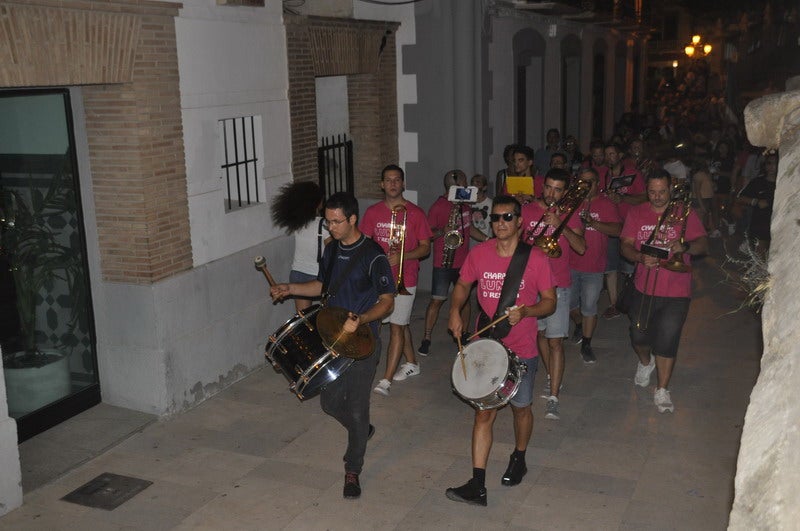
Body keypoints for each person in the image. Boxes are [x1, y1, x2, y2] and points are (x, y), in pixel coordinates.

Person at [270, 192, 395, 498]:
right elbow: (323, 287)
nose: (331, 227)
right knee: (329, 403)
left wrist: (362, 318)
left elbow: (388, 302)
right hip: (332, 339)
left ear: (353, 219)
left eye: (337, 222)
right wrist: (290, 288)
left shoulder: (373, 255)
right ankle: (360, 430)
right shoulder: (330, 250)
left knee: (356, 405)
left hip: (364, 341)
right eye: (328, 221)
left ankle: (352, 469)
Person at [445, 195, 556, 506]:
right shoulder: (479, 253)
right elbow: (463, 285)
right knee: (484, 415)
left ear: (520, 221)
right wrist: (455, 309)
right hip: (489, 345)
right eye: (495, 218)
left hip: (522, 348)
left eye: (508, 217)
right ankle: (477, 484)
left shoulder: (535, 258)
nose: (501, 223)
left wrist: (529, 311)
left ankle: (519, 457)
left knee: (521, 408)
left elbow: (550, 301)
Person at [620, 171, 707, 413]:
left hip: (676, 290)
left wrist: (685, 245)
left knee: (667, 340)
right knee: (638, 335)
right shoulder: (636, 213)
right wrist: (639, 256)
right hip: (643, 285)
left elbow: (702, 244)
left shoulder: (684, 213)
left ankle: (662, 389)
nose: (657, 197)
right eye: (652, 192)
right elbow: (625, 245)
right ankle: (645, 363)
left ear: (671, 189)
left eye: (662, 191)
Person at [361, 164, 432, 396]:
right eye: (388, 180)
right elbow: (365, 243)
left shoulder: (416, 213)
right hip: (378, 279)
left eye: (396, 180)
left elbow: (425, 248)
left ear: (403, 184)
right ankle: (412, 363)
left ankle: (386, 380)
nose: (392, 184)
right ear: (382, 184)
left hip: (405, 277)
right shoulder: (372, 213)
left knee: (396, 328)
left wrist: (401, 256)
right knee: (398, 323)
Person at [521, 168, 586, 420]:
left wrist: (561, 224)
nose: (551, 193)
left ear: (565, 192)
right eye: (548, 187)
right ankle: (550, 375)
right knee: (539, 334)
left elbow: (581, 247)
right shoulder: (527, 211)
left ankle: (554, 396)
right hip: (532, 284)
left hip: (559, 284)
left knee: (555, 341)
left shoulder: (572, 213)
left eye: (558, 189)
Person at [417, 170, 485, 356]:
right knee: (437, 301)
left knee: (465, 301)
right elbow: (428, 234)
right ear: (453, 186)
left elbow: (469, 229)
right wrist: (443, 230)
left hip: (464, 261)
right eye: (463, 185)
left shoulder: (465, 206)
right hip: (444, 261)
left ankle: (462, 334)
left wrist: (487, 239)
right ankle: (426, 337)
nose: (467, 188)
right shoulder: (438, 206)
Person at [568, 168, 622, 363]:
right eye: (582, 181)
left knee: (590, 307)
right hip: (569, 264)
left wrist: (594, 223)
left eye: (590, 182)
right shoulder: (570, 202)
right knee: (570, 305)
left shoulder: (606, 204)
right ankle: (580, 325)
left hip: (594, 267)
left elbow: (617, 230)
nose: (586, 185)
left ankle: (587, 344)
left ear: (597, 183)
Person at [601, 143, 646, 319]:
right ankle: (614, 305)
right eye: (606, 154)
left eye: (612, 154)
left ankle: (632, 301)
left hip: (630, 226)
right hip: (612, 225)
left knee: (629, 269)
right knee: (610, 267)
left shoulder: (633, 173)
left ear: (620, 155)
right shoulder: (604, 174)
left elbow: (644, 197)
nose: (609, 157)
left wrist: (622, 198)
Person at [270, 180, 329, 312]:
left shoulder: (298, 223)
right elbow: (331, 252)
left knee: (302, 319)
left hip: (298, 273)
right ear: (318, 202)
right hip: (318, 276)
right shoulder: (324, 224)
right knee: (327, 317)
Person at [737, 149, 777, 253]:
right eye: (769, 163)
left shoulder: (784, 183)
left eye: (775, 163)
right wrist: (756, 201)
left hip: (779, 224)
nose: (772, 166)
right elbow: (741, 198)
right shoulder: (758, 182)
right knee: (761, 257)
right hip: (761, 225)